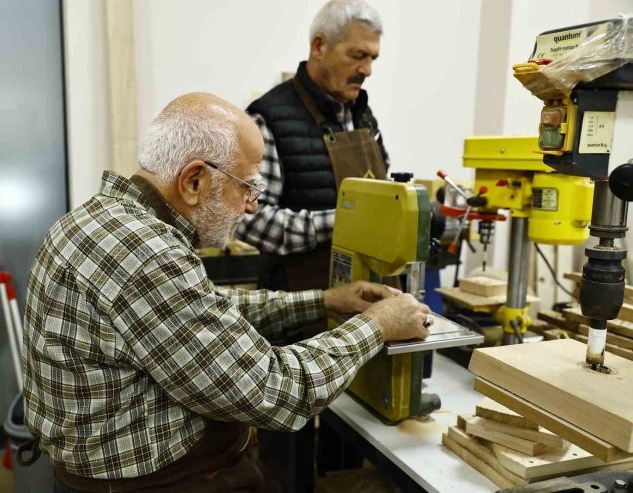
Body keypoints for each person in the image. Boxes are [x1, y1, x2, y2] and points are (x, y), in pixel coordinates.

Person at [22, 92, 430, 493]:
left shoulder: (98, 219)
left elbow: (205, 312)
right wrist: (376, 326)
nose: (251, 207)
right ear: (194, 181)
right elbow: (276, 392)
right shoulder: (149, 255)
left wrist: (324, 301)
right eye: (247, 188)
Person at [237, 0, 389, 293]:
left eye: (372, 58)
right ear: (319, 46)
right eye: (358, 55)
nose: (367, 70)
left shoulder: (362, 116)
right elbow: (250, 220)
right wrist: (344, 221)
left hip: (366, 297)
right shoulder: (269, 117)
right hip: (300, 306)